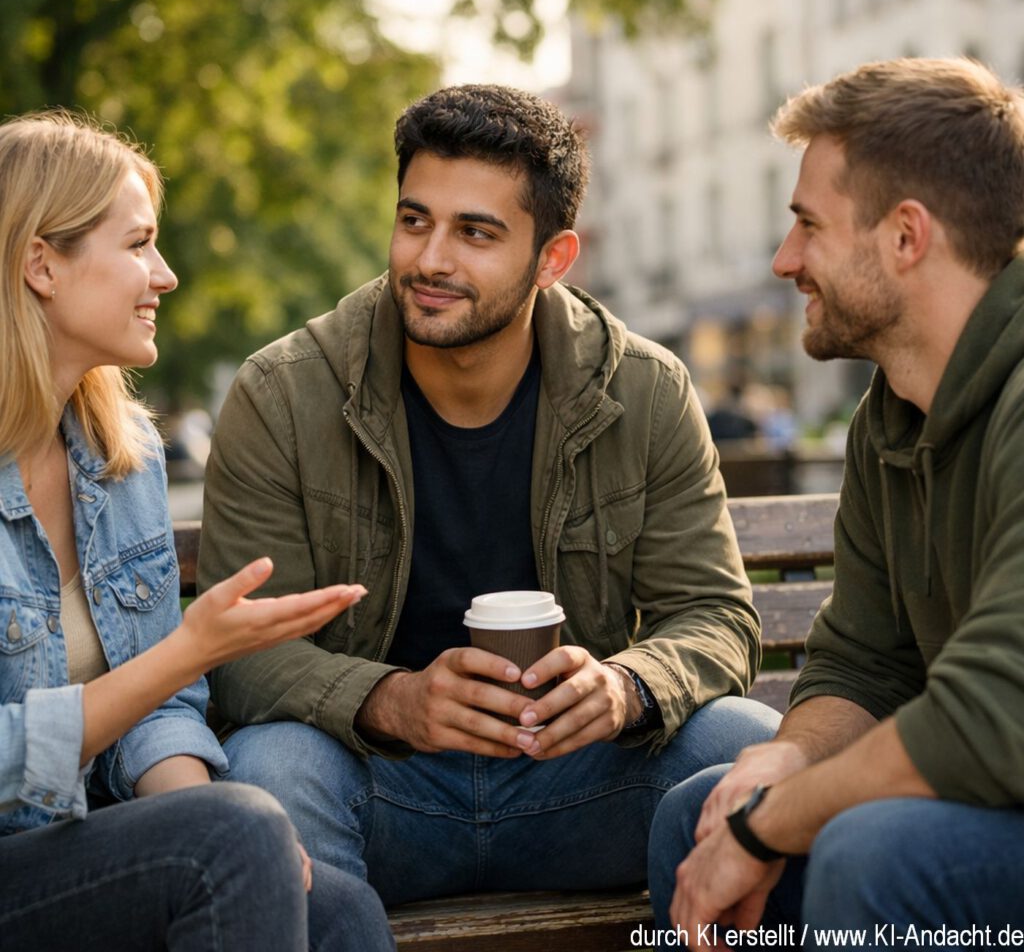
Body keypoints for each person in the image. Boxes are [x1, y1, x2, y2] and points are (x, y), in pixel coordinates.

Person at [197, 83, 778, 931]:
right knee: (270, 772)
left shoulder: (645, 388)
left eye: (475, 233)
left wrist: (625, 687)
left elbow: (716, 615)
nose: (431, 259)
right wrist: (392, 701)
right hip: (379, 784)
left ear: (554, 258)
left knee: (744, 748)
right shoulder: (284, 392)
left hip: (582, 777)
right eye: (414, 219)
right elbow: (243, 652)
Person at [649, 57, 1024, 944]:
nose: (786, 261)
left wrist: (773, 820)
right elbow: (865, 663)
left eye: (808, 225)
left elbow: (998, 709)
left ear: (905, 236)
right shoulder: (892, 417)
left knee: (872, 850)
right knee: (698, 812)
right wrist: (782, 764)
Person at [0, 111, 393, 951]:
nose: (165, 275)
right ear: (41, 263)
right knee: (236, 835)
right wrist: (191, 650)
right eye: (138, 244)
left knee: (335, 905)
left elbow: (154, 712)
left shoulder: (120, 454)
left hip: (76, 844)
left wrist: (213, 814)